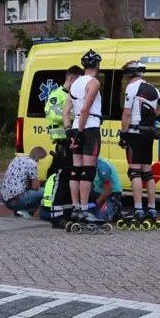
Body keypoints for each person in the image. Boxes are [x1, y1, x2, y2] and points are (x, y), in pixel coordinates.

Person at [119, 60, 160, 223]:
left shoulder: (132, 87)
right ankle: (152, 209)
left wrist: (124, 135)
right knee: (147, 173)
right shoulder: (152, 88)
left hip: (135, 132)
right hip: (149, 133)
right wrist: (153, 115)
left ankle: (138, 210)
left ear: (130, 74)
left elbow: (127, 113)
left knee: (134, 172)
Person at [63, 49, 103, 221]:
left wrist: (69, 132)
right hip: (90, 126)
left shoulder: (74, 83)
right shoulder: (93, 83)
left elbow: (66, 111)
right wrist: (80, 131)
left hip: (74, 125)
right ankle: (85, 211)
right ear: (97, 65)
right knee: (88, 170)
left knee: (75, 170)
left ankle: (75, 208)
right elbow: (86, 108)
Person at [44, 65, 84, 226]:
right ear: (71, 79)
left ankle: (67, 213)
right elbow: (54, 115)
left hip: (73, 142)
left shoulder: (74, 96)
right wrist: (75, 113)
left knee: (71, 178)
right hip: (62, 142)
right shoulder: (57, 95)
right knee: (61, 179)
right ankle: (56, 215)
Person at [1, 146, 47, 217]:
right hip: (16, 201)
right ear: (38, 159)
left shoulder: (17, 159)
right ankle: (26, 213)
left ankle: (19, 213)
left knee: (26, 193)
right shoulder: (32, 163)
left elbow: (25, 183)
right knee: (43, 191)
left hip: (5, 199)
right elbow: (36, 187)